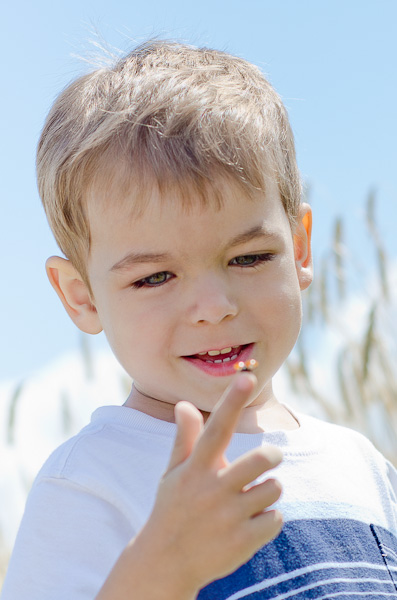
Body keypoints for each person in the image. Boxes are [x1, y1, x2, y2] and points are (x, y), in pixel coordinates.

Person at [2, 40, 397, 600]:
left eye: (249, 258)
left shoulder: (363, 466)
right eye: (154, 277)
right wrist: (161, 573)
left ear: (301, 251)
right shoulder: (90, 482)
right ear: (82, 296)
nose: (215, 307)